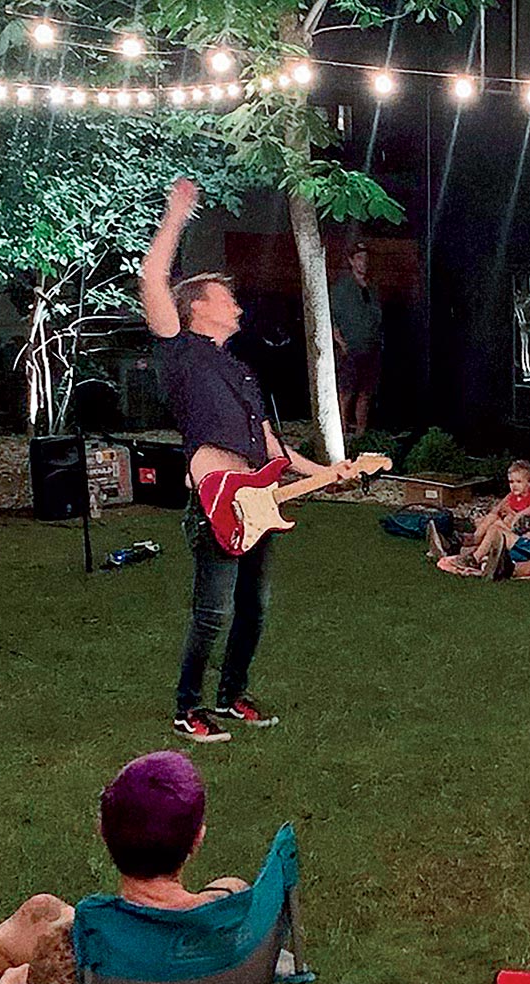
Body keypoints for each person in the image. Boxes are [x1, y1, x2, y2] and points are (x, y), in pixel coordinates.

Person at [143, 178, 355, 742]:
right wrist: (175, 215)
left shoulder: (239, 371)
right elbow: (151, 280)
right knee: (211, 613)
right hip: (215, 499)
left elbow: (271, 448)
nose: (237, 303)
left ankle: (232, 695)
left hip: (257, 499)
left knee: (253, 611)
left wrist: (328, 472)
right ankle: (188, 707)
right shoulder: (181, 352)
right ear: (198, 310)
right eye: (226, 296)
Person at [0, 752, 252, 984]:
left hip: (111, 961)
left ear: (102, 831)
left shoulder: (74, 945)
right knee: (42, 911)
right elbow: (227, 889)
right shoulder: (241, 917)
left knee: (39, 931)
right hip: (178, 957)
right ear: (198, 838)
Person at [427, 414, 530, 558]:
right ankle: (459, 546)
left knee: (500, 524)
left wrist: (521, 514)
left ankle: (462, 549)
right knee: (493, 517)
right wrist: (497, 509)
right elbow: (526, 488)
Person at [329, 242, 383, 435]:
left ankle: (361, 432)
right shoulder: (342, 288)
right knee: (346, 391)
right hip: (349, 348)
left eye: (365, 258)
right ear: (351, 261)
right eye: (359, 258)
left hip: (371, 348)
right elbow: (331, 317)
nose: (363, 263)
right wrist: (340, 342)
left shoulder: (372, 287)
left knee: (366, 392)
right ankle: (341, 432)